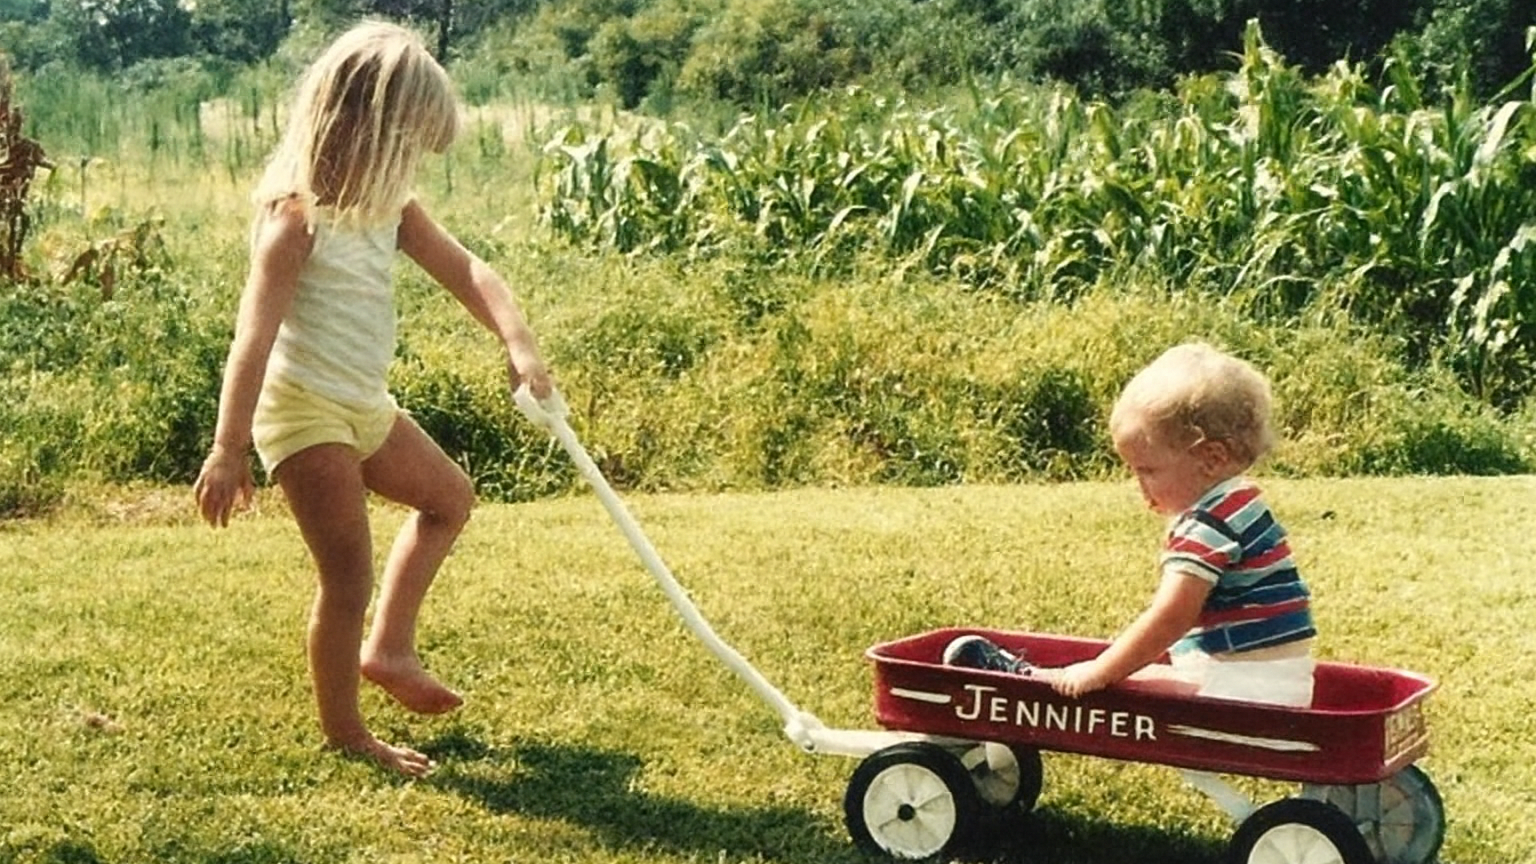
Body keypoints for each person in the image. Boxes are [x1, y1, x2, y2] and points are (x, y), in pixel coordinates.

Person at [193, 20, 553, 777]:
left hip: (365, 404)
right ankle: (346, 731)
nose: (414, 163)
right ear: (359, 124)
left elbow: (471, 272)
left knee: (451, 499)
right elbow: (251, 342)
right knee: (345, 575)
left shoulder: (390, 208)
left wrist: (518, 344)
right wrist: (228, 449)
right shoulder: (295, 221)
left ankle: (388, 648)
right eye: (410, 144)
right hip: (303, 412)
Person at [945, 342, 1316, 709]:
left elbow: (1171, 617)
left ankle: (1032, 682)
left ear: (1211, 458)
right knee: (1144, 677)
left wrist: (1100, 671)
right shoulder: (1242, 503)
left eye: (1148, 470)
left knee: (1124, 687)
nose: (1139, 485)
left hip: (1243, 689)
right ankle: (1037, 677)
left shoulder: (1209, 523)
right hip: (1274, 682)